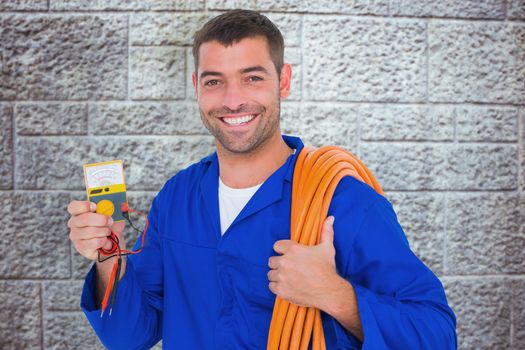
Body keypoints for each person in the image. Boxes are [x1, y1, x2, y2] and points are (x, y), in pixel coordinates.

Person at [68, 9, 457, 349]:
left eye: (252, 78)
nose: (233, 100)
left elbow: (437, 334)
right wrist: (109, 254)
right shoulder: (178, 197)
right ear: (196, 88)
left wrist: (334, 295)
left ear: (283, 81)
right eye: (214, 80)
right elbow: (128, 336)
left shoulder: (342, 201)